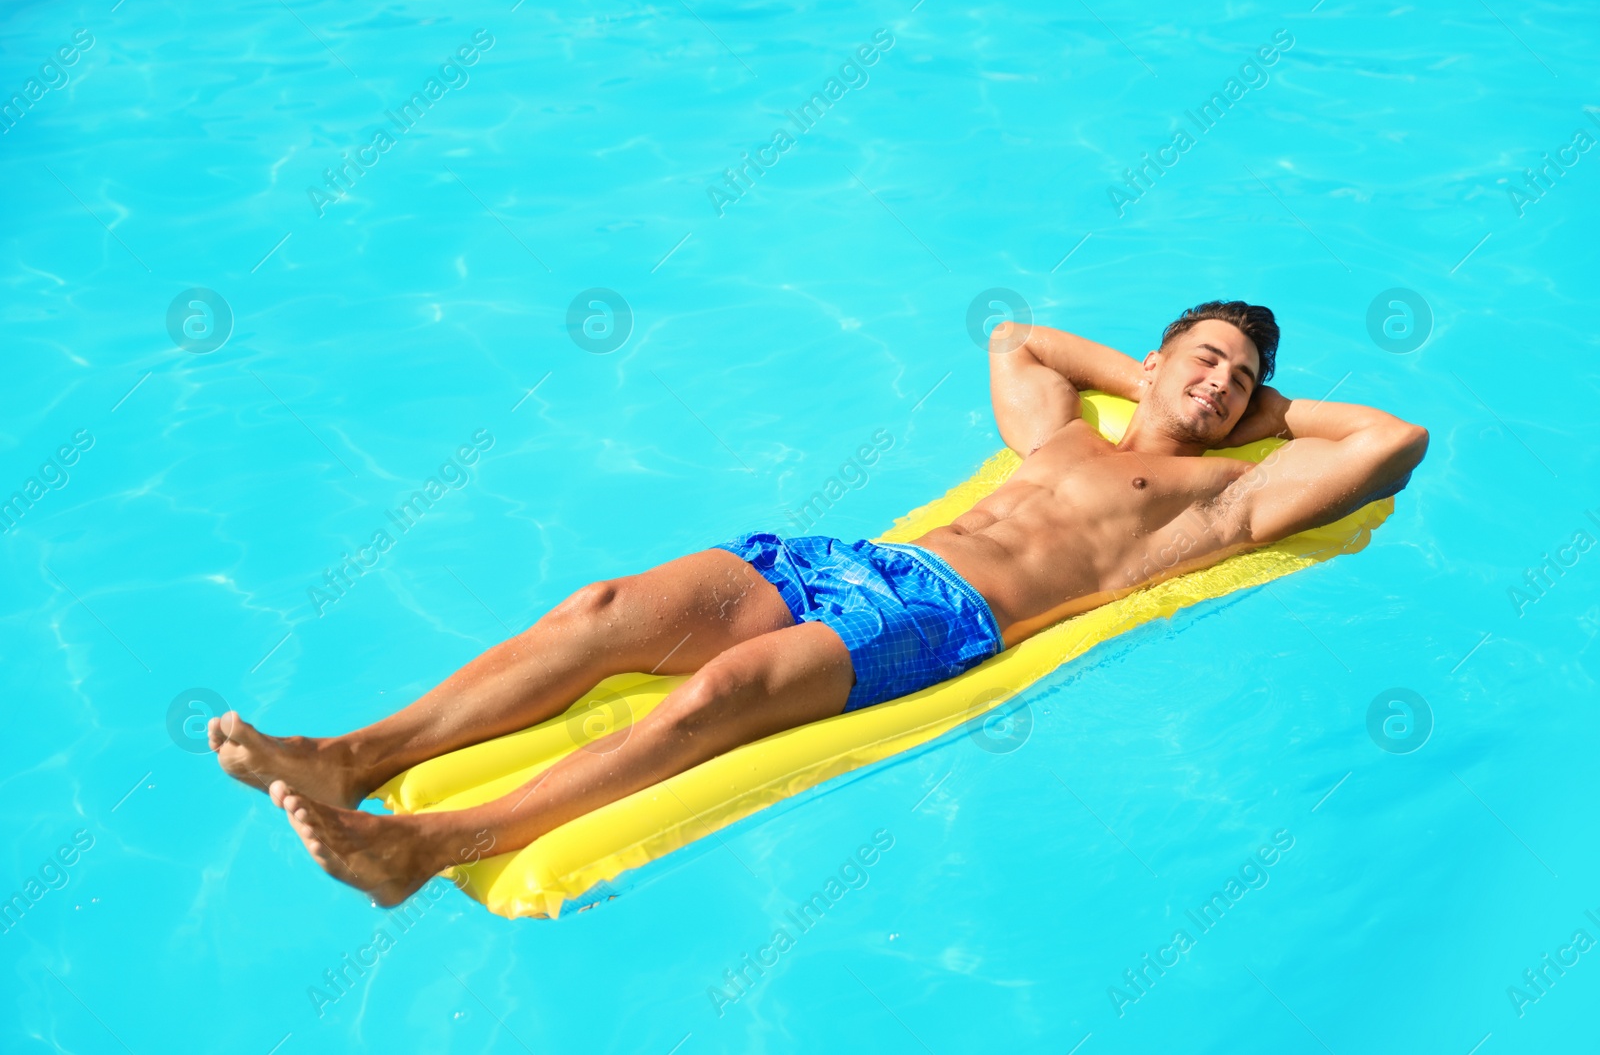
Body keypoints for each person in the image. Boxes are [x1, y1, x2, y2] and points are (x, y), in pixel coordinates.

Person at [210, 300, 1428, 906]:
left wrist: (1256, 417)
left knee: (725, 691)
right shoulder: (1064, 432)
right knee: (600, 610)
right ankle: (348, 753)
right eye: (1203, 357)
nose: (1221, 383)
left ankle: (425, 845)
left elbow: (1393, 438)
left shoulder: (1219, 498)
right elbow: (1015, 339)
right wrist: (1162, 376)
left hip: (944, 613)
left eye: (1245, 378)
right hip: (851, 558)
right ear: (1154, 360)